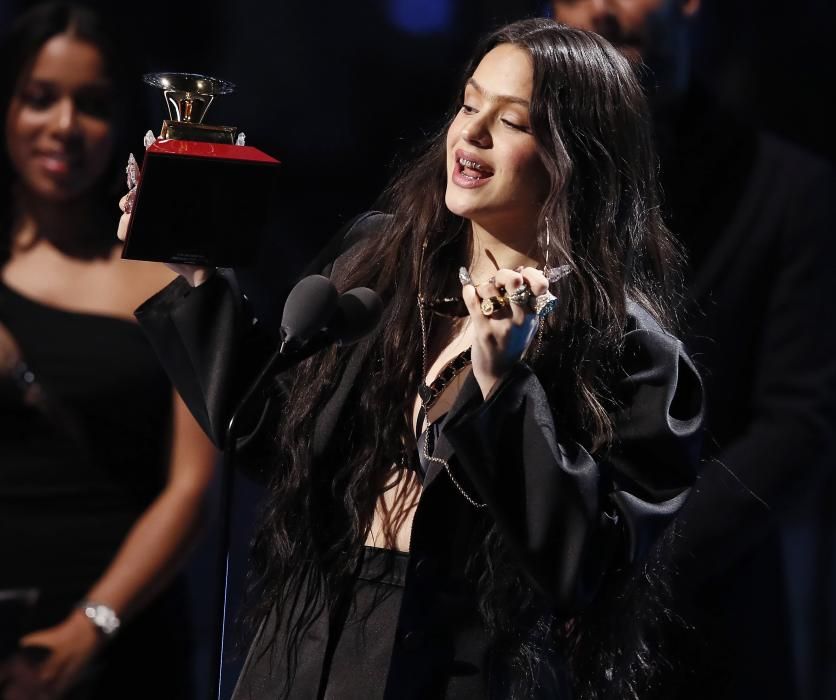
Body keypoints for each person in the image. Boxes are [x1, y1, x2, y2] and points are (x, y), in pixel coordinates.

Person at [120, 18, 704, 699]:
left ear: (578, 155)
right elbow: (272, 435)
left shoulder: (632, 354)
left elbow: (581, 565)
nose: (472, 134)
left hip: (466, 667)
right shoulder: (382, 263)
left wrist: (504, 383)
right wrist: (195, 276)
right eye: (468, 103)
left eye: (512, 121)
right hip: (307, 640)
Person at [550, 2, 836, 699]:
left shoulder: (788, 192)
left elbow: (798, 425)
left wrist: (630, 567)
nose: (603, 10)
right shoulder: (525, 173)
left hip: (704, 633)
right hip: (523, 628)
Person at [0, 3, 217, 699]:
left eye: (90, 104)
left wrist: (90, 628)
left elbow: (192, 486)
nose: (64, 125)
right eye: (39, 98)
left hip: (123, 642)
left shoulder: (161, 270)